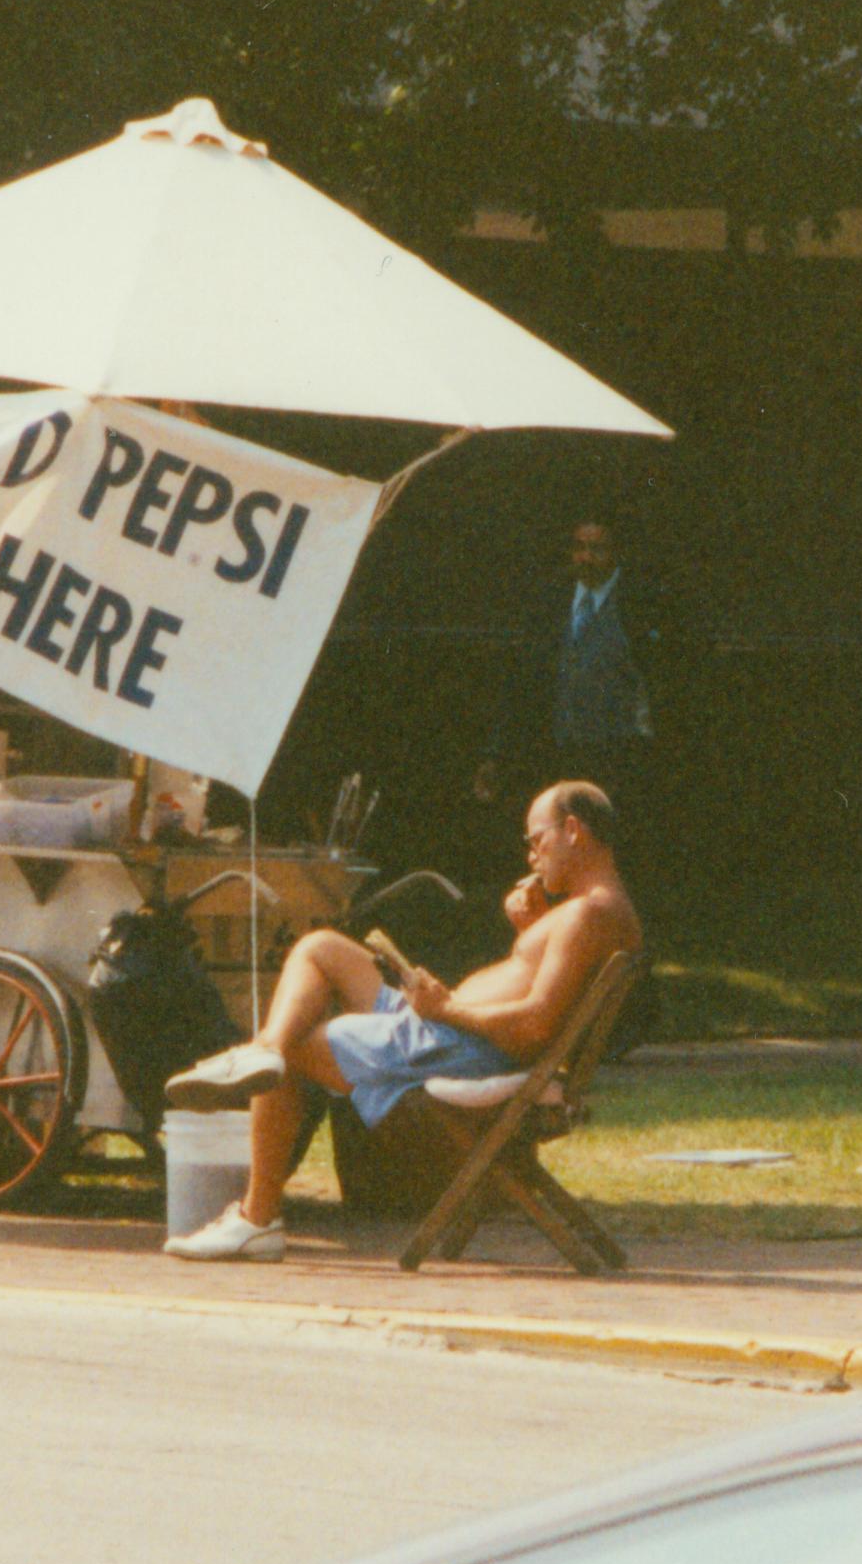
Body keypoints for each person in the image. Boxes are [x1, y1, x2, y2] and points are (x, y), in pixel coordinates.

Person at [159, 782, 642, 1262]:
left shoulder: (590, 913)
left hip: (453, 1043)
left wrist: (445, 1009)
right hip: (445, 1031)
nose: (532, 857)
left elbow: (536, 1025)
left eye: (536, 841)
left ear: (573, 831)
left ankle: (255, 1218)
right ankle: (262, 1050)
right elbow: (541, 997)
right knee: (321, 947)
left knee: (296, 1050)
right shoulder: (597, 910)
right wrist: (529, 932)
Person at [471, 518, 672, 839]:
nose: (586, 558)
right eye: (579, 547)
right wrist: (497, 753)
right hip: (559, 750)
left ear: (616, 552)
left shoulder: (641, 603)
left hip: (618, 754)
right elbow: (523, 680)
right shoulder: (552, 602)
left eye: (597, 549)